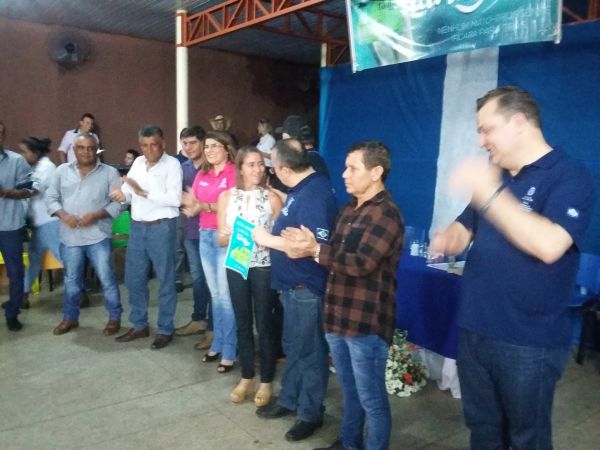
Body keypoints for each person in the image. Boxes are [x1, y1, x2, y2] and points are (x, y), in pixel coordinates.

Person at [429, 86, 596, 449]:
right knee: (483, 431)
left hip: (528, 342)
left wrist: (490, 192)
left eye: (487, 129)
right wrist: (449, 237)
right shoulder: (498, 176)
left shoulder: (569, 175)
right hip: (475, 329)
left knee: (527, 439)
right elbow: (465, 225)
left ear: (519, 122)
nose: (481, 141)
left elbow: (549, 245)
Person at [282, 141, 404, 450]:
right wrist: (310, 246)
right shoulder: (349, 209)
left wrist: (315, 250)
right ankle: (349, 442)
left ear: (376, 172)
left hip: (365, 323)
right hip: (337, 316)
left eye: (352, 168)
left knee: (371, 399)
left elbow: (361, 263)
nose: (344, 174)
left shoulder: (386, 214)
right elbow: (334, 255)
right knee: (350, 392)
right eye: (345, 167)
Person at [252, 138, 338, 442]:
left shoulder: (314, 195)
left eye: (273, 167)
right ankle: (290, 399)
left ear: (284, 169)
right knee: (294, 348)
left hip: (306, 288)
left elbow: (306, 247)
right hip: (292, 287)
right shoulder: (301, 190)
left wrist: (266, 238)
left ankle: (310, 413)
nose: (272, 172)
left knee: (310, 352)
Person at [216, 146, 282, 406]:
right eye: (251, 164)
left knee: (264, 323)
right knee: (242, 321)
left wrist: (268, 240)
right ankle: (246, 376)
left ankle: (266, 380)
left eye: (260, 164)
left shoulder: (272, 197)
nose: (257, 169)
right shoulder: (226, 197)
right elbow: (220, 238)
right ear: (240, 168)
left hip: (263, 265)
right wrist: (229, 236)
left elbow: (280, 236)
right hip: (237, 264)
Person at [111, 125, 182, 350]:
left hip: (162, 227)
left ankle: (165, 329)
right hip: (138, 227)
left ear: (163, 144)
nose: (149, 150)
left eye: (154, 145)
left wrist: (145, 193)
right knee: (134, 279)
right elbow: (129, 191)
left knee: (166, 280)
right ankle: (140, 325)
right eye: (144, 145)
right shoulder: (138, 163)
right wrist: (122, 195)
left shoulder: (172, 165)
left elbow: (175, 198)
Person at [46, 133, 123, 335]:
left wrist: (97, 215)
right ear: (74, 149)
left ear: (96, 149)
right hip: (70, 237)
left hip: (98, 236)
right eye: (81, 148)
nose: (86, 152)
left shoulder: (109, 173)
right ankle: (70, 318)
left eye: (90, 148)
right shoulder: (61, 171)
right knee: (71, 281)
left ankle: (114, 318)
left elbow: (120, 203)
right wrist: (64, 216)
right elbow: (51, 198)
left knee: (107, 279)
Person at [181, 131, 237, 371]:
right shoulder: (202, 174)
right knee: (215, 295)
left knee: (226, 296)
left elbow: (234, 204)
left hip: (226, 236)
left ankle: (230, 349)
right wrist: (192, 204)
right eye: (207, 147)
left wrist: (204, 206)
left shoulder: (234, 172)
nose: (210, 150)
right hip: (204, 235)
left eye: (215, 146)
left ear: (227, 148)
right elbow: (193, 201)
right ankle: (218, 342)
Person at [174, 127, 212, 339]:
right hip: (191, 230)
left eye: (193, 143)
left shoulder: (212, 165)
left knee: (214, 280)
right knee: (198, 278)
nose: (188, 147)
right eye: (185, 143)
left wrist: (198, 202)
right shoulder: (182, 168)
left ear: (203, 142)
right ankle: (199, 319)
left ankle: (214, 326)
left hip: (213, 229)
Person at [19, 137, 62, 310]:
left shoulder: (47, 167)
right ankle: (23, 296)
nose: (22, 156)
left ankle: (80, 292)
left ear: (35, 153)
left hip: (51, 222)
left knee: (64, 258)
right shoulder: (35, 167)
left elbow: (33, 189)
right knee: (34, 261)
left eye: (25, 152)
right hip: (39, 224)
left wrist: (11, 189)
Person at [0, 121, 33, 331]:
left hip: (9, 225)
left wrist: (6, 192)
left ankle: (12, 312)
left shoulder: (16, 161)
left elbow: (28, 190)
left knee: (16, 272)